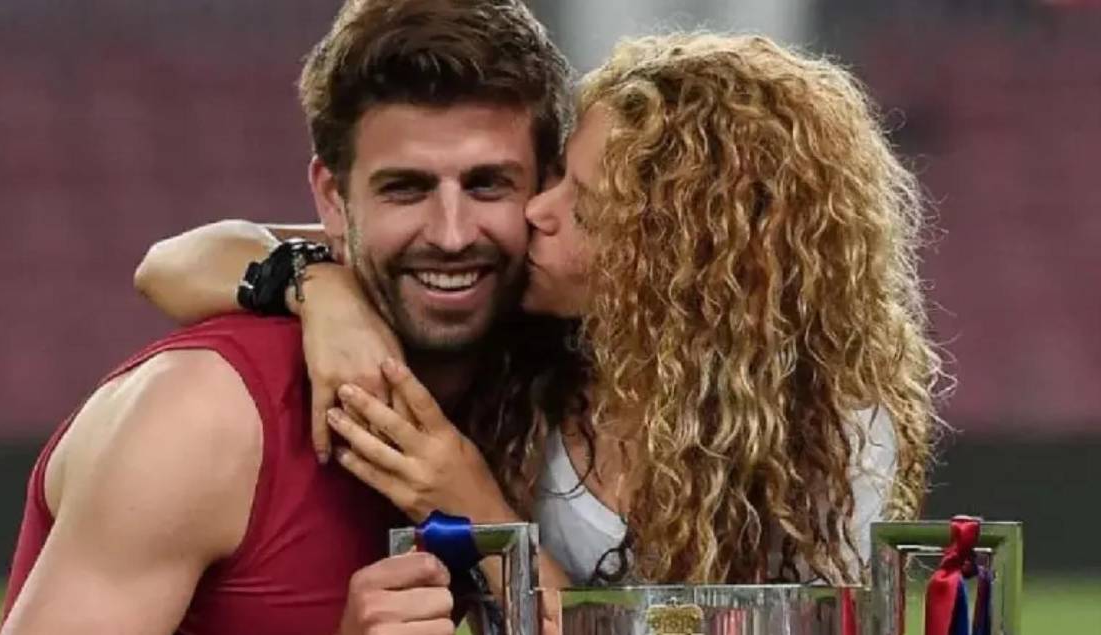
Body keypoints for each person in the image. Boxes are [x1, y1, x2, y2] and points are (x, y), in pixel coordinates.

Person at [135, 33, 943, 587]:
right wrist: (320, 287)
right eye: (555, 176)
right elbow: (175, 262)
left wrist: (477, 511)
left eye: (583, 206)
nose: (536, 212)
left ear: (676, 257)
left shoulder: (825, 431)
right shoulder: (514, 309)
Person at [0, 1, 572, 633]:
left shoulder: (566, 379)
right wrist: (313, 281)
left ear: (547, 190)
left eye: (488, 184)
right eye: (405, 189)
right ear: (332, 199)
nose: (452, 234)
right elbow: (165, 262)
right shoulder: (203, 415)